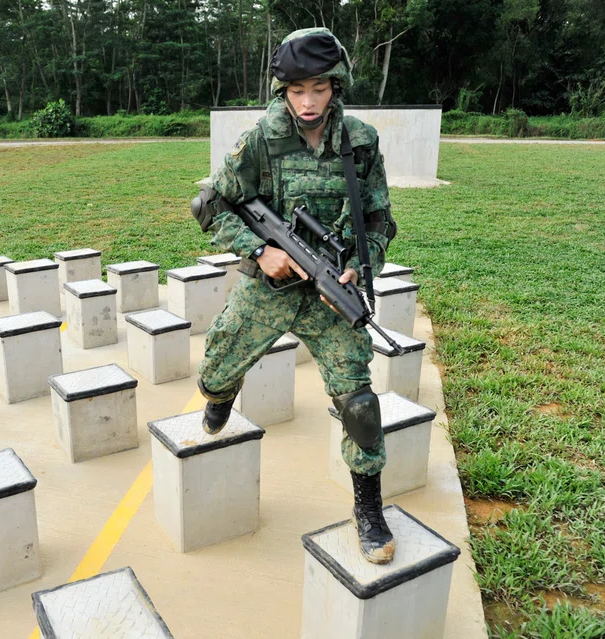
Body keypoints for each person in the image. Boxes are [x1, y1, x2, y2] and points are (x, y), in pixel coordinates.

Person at [190, 27, 398, 564]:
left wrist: (358, 265)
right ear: (282, 90)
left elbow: (379, 218)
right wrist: (259, 251)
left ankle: (369, 508)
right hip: (269, 287)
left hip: (331, 294)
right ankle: (221, 396)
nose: (308, 102)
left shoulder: (359, 141)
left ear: (337, 86)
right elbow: (208, 204)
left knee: (359, 402)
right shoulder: (261, 139)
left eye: (319, 89)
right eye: (297, 90)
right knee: (214, 371)